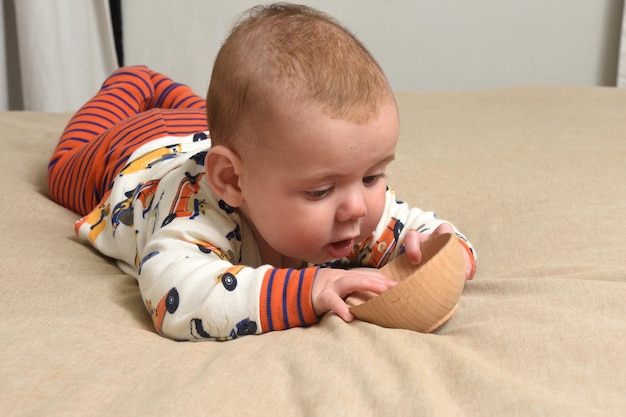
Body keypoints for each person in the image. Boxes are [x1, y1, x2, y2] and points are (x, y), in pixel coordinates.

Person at [47, 3, 476, 341]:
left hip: (203, 136)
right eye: (321, 190)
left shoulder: (342, 196)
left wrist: (442, 247)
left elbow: (417, 228)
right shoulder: (197, 221)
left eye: (371, 176)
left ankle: (176, 98)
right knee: (61, 169)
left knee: (229, 117)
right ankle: (134, 80)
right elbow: (174, 297)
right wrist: (305, 292)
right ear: (234, 183)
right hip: (133, 155)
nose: (357, 208)